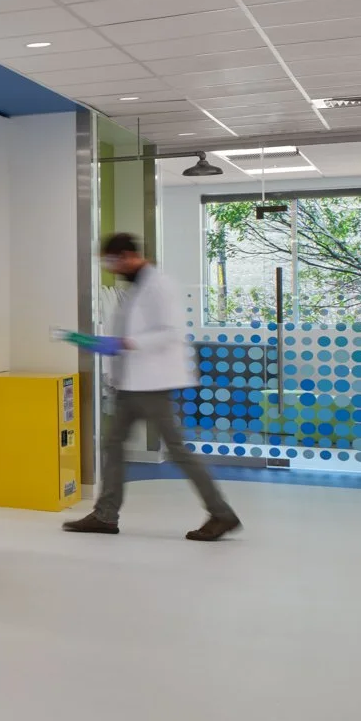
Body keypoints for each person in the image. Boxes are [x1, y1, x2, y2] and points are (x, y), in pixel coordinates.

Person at [65, 232, 240, 541]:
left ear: (127, 257)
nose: (111, 268)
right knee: (113, 445)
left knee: (177, 450)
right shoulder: (136, 287)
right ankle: (105, 515)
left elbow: (171, 333)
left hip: (152, 385)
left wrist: (125, 343)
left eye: (112, 261)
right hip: (131, 385)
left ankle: (221, 513)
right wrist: (107, 348)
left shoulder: (159, 285)